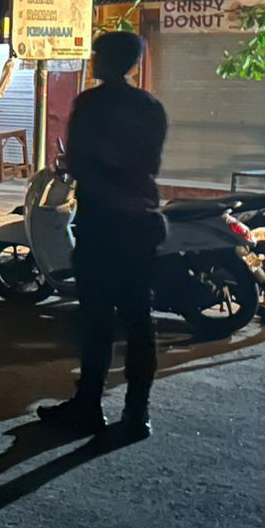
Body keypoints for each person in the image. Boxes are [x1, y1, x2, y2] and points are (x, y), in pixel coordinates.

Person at [38, 30, 168, 440]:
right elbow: (151, 163)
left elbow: (79, 161)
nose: (92, 58)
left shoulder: (92, 104)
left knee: (96, 320)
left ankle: (88, 405)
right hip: (141, 223)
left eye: (97, 53)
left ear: (107, 59)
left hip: (101, 224)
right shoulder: (150, 106)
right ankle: (137, 414)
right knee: (138, 319)